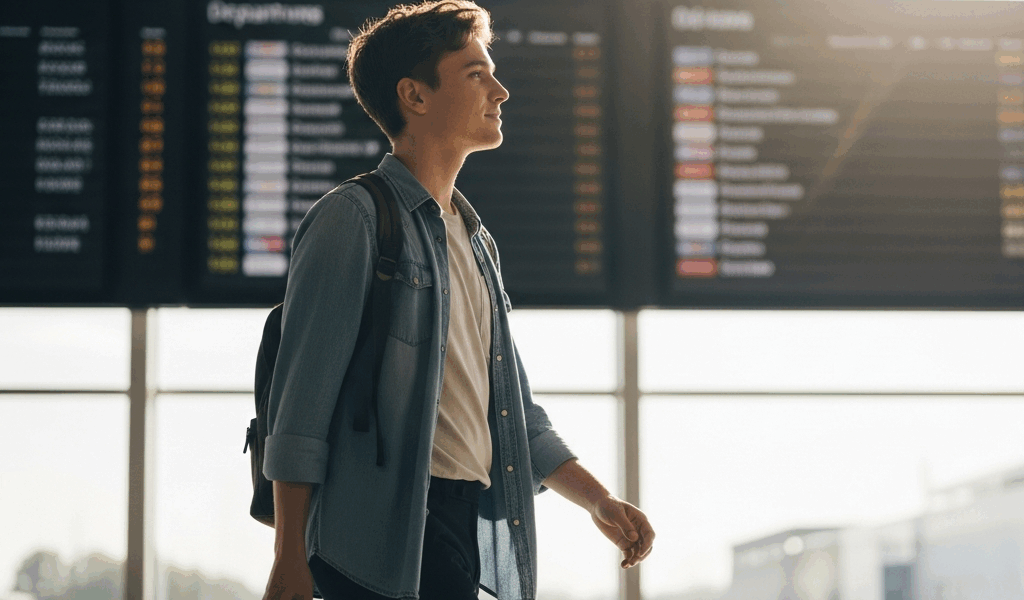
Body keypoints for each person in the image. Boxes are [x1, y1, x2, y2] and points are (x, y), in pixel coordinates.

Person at [260, 2, 655, 599]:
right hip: (377, 533)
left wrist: (598, 500)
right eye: (476, 74)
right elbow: (300, 407)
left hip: (460, 520)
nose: (500, 91)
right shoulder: (352, 219)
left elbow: (515, 415)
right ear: (415, 96)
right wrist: (289, 556)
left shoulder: (475, 242)